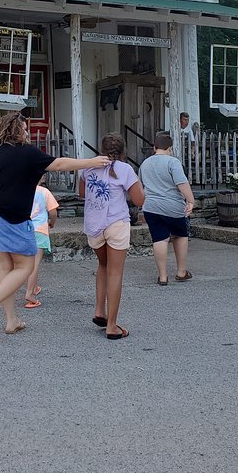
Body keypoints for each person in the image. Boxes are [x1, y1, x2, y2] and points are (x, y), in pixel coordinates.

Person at [0, 111, 110, 338]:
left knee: (5, 266)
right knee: (25, 267)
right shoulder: (26, 153)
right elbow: (59, 164)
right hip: (10, 217)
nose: (27, 133)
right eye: (25, 129)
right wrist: (91, 162)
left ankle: (11, 320)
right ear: (16, 130)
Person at [79, 133, 144, 340]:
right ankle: (112, 326)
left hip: (94, 225)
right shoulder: (125, 169)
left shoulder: (87, 167)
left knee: (103, 265)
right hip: (116, 223)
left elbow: (82, 193)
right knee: (115, 273)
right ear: (123, 151)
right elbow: (138, 199)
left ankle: (100, 310)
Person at [140, 133, 196, 286]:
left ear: (154, 147)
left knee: (159, 238)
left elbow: (141, 185)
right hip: (173, 206)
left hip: (151, 207)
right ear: (170, 148)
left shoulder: (145, 163)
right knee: (181, 235)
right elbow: (181, 183)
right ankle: (181, 272)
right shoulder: (173, 162)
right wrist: (191, 200)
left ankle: (163, 277)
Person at [24, 176, 59, 309]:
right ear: (41, 178)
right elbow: (53, 212)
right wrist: (52, 222)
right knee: (35, 264)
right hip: (39, 230)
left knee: (25, 263)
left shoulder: (22, 190)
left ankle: (34, 286)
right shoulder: (44, 192)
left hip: (24, 229)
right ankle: (29, 293)